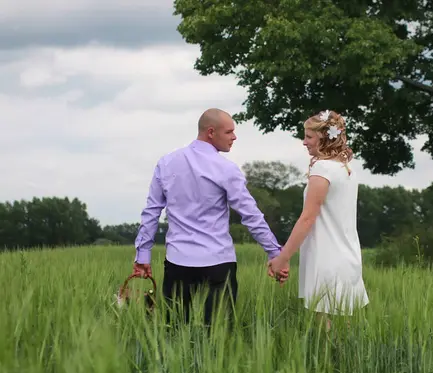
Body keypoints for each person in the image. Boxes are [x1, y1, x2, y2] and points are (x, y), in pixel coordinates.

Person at [132, 108, 289, 330]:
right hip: (218, 264)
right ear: (211, 132)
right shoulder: (226, 169)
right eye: (229, 132)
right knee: (219, 337)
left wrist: (143, 255)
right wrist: (275, 253)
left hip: (178, 263)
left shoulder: (166, 163)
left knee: (174, 335)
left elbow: (151, 212)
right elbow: (250, 215)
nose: (234, 137)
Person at [268, 110, 369, 329]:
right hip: (347, 256)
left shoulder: (322, 169)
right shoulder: (346, 169)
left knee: (325, 329)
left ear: (324, 137)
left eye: (309, 137)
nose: (304, 142)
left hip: (326, 257)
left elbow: (307, 219)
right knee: (345, 328)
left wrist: (283, 258)